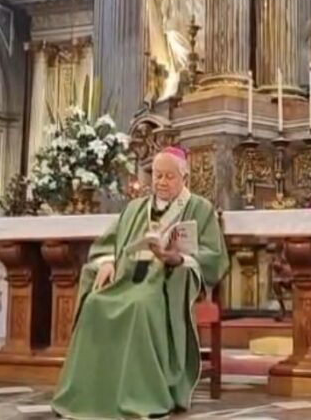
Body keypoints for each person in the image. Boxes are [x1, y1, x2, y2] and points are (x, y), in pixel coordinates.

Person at [52, 147, 230, 420]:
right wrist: (108, 262)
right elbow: (108, 244)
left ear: (185, 177)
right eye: (157, 175)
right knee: (95, 304)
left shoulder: (199, 208)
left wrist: (176, 258)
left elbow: (213, 257)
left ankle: (141, 394)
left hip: (165, 282)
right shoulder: (135, 208)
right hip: (127, 277)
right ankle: (91, 392)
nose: (161, 182)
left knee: (140, 307)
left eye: (169, 176)